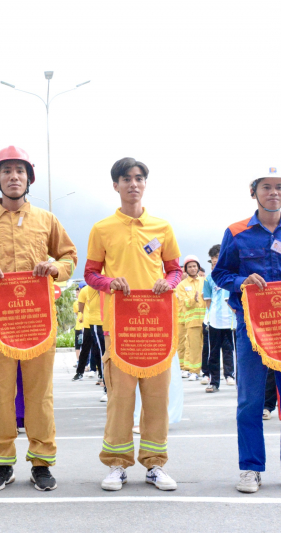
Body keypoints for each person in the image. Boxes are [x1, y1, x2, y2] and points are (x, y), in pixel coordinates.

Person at [0, 146, 76, 492]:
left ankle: (41, 462)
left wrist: (54, 267)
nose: (14, 177)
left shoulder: (47, 220)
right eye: (7, 171)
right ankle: (2, 462)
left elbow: (69, 257)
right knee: (0, 393)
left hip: (38, 321)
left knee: (40, 394)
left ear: (29, 178)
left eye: (20, 171)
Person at [212, 167, 281, 494]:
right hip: (252, 330)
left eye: (279, 187)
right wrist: (240, 281)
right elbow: (221, 274)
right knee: (249, 400)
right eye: (266, 187)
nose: (273, 192)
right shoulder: (236, 232)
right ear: (253, 192)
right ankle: (250, 468)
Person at [83, 157, 182, 492]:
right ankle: (117, 465)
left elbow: (175, 270)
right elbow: (90, 274)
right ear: (116, 186)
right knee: (120, 400)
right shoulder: (102, 229)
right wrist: (108, 283)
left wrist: (168, 284)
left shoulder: (162, 227)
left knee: (157, 399)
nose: (133, 184)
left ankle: (155, 465)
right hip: (119, 327)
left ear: (144, 184)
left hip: (156, 327)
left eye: (139, 178)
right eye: (126, 179)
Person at [203, 244, 236, 392]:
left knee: (230, 349)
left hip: (231, 320)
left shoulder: (233, 275)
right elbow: (208, 299)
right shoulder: (209, 278)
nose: (215, 261)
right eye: (213, 260)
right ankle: (214, 382)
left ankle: (230, 375)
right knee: (214, 351)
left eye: (217, 257)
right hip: (215, 320)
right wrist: (209, 317)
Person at [175, 255, 206, 381]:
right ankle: (193, 371)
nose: (192, 269)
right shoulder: (182, 285)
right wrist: (194, 299)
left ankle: (205, 371)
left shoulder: (205, 281)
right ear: (186, 270)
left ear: (198, 267)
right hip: (192, 320)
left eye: (194, 266)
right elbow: (184, 302)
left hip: (205, 319)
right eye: (190, 267)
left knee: (206, 347)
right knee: (193, 346)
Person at [73, 283, 105, 381]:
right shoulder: (85, 291)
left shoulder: (100, 288)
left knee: (96, 350)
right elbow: (80, 308)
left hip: (96, 323)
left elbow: (80, 308)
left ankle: (100, 373)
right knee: (88, 349)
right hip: (88, 324)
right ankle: (80, 372)